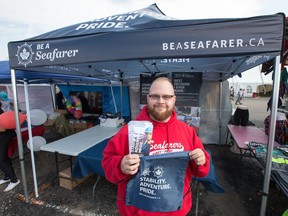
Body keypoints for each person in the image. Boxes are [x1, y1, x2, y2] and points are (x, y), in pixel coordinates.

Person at [102, 77, 210, 216]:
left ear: (174, 99)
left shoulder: (188, 132)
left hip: (176, 211)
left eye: (166, 96)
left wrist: (201, 161)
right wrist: (120, 165)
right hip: (136, 212)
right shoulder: (130, 131)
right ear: (147, 98)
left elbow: (202, 171)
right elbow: (107, 164)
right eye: (155, 96)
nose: (160, 101)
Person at [0, 102, 20, 192]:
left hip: (4, 135)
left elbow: (2, 128)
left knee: (1, 160)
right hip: (3, 135)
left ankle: (14, 180)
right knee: (3, 157)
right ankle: (7, 176)